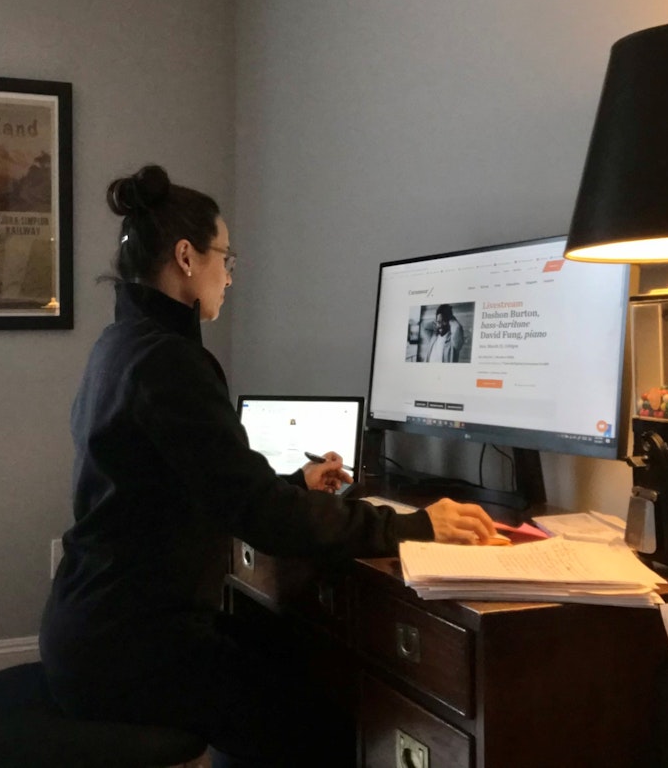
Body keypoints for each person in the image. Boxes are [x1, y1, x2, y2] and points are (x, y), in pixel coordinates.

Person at [40, 164, 495, 766]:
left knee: (287, 657)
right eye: (225, 258)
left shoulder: (121, 345)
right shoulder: (169, 362)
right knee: (325, 728)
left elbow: (192, 488)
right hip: (130, 651)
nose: (230, 276)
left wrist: (291, 483)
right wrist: (416, 525)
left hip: (96, 629)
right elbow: (265, 519)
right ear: (186, 258)